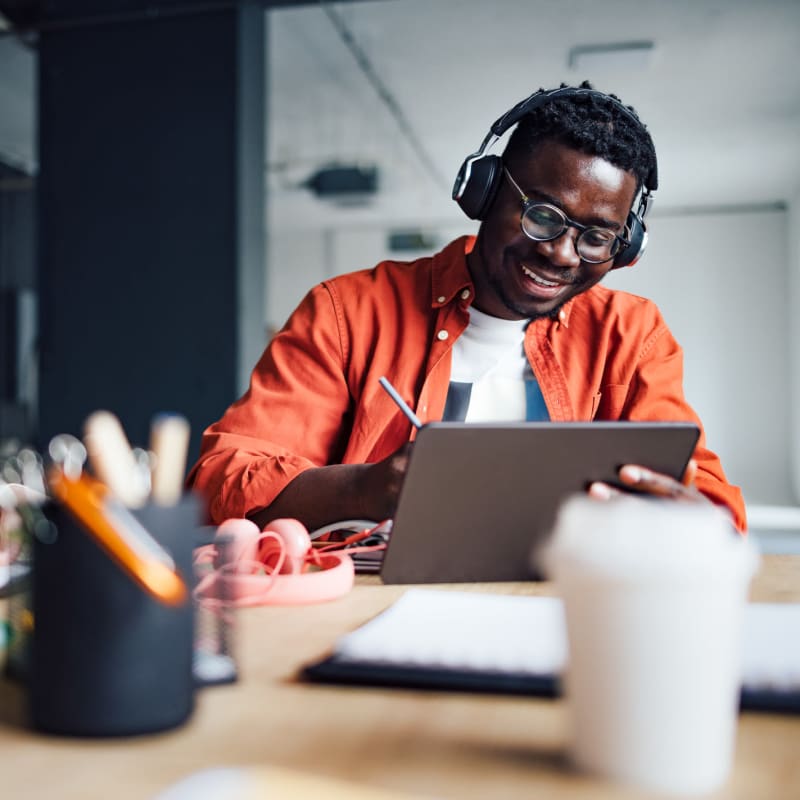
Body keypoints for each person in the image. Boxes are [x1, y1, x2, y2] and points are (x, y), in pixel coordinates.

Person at [187, 82, 746, 534]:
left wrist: (689, 518)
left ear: (624, 247)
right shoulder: (346, 312)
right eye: (543, 216)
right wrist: (369, 488)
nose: (560, 252)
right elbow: (221, 477)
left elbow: (712, 504)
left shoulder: (631, 334)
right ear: (484, 192)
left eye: (596, 237)